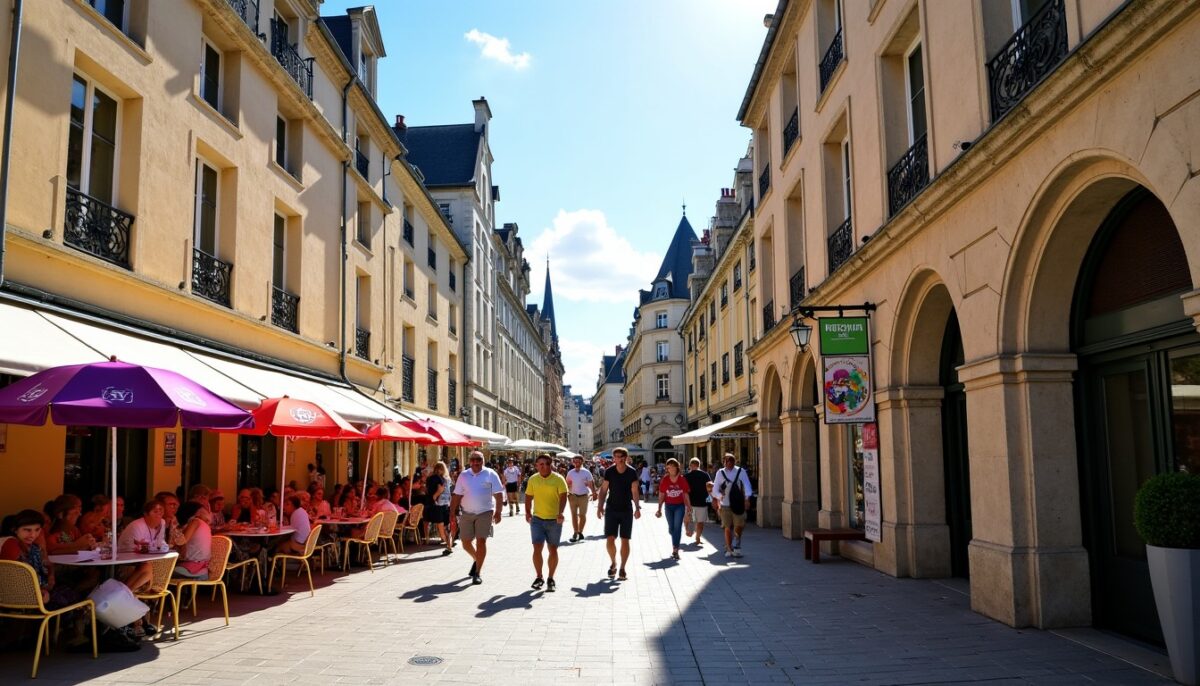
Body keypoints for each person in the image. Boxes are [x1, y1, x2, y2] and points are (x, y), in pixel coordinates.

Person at [449, 451, 504, 585]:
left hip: (485, 512)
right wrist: (451, 513)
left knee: (481, 541)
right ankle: (476, 558)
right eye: (473, 460)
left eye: (478, 459)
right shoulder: (464, 475)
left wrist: (498, 511)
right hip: (466, 513)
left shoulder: (490, 474)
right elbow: (456, 495)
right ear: (469, 461)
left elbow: (498, 494)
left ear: (483, 461)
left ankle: (477, 572)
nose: (475, 462)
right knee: (465, 542)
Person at [524, 454, 568, 592]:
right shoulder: (533, 479)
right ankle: (539, 577)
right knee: (537, 548)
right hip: (537, 519)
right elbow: (528, 497)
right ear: (536, 466)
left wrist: (560, 513)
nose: (544, 467)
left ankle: (551, 578)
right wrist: (527, 512)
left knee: (553, 549)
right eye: (541, 464)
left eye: (547, 464)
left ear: (551, 465)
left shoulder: (558, 479)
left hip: (554, 520)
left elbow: (563, 497)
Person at [596, 447, 641, 580]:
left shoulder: (632, 472)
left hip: (626, 509)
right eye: (616, 456)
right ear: (613, 458)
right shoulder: (609, 471)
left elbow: (635, 491)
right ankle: (614, 562)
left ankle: (622, 568)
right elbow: (604, 490)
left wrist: (637, 507)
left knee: (625, 540)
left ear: (626, 457)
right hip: (611, 509)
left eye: (621, 456)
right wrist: (600, 506)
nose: (619, 459)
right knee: (610, 538)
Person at [711, 453, 754, 558]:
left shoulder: (741, 471)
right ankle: (729, 548)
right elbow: (715, 489)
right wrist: (719, 496)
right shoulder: (720, 473)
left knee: (739, 526)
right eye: (727, 461)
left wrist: (747, 499)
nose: (729, 463)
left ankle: (737, 545)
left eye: (731, 461)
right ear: (724, 462)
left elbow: (747, 485)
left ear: (734, 462)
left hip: (738, 503)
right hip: (725, 504)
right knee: (727, 527)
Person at [655, 459, 691, 559]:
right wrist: (659, 509)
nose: (670, 468)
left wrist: (689, 507)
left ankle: (675, 549)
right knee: (672, 529)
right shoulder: (665, 480)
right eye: (669, 466)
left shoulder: (682, 479)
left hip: (679, 506)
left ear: (676, 467)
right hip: (668, 506)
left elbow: (685, 494)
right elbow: (662, 494)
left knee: (677, 527)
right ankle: (674, 538)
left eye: (672, 466)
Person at [173, 502, 213, 579]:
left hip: (193, 567)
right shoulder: (203, 524)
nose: (207, 513)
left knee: (160, 571)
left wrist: (173, 527)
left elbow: (182, 541)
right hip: (202, 568)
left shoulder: (195, 522)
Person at [565, 455, 596, 542]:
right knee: (574, 515)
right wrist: (567, 490)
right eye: (575, 461)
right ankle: (575, 532)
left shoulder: (586, 472)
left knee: (582, 515)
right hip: (572, 496)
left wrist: (594, 493)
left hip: (583, 496)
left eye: (578, 461)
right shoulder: (570, 472)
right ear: (573, 462)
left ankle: (580, 531)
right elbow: (567, 483)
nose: (577, 463)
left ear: (582, 462)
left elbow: (591, 483)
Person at [426, 462, 454, 556]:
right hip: (446, 504)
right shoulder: (447, 479)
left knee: (441, 529)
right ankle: (449, 545)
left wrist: (434, 496)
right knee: (446, 527)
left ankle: (448, 546)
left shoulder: (437, 479)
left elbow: (440, 489)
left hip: (439, 505)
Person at [683, 458, 712, 545]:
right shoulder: (705, 475)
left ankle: (688, 530)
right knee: (700, 522)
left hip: (690, 503)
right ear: (699, 465)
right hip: (702, 502)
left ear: (690, 465)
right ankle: (698, 537)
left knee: (687, 518)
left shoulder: (686, 476)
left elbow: (683, 490)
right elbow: (710, 487)